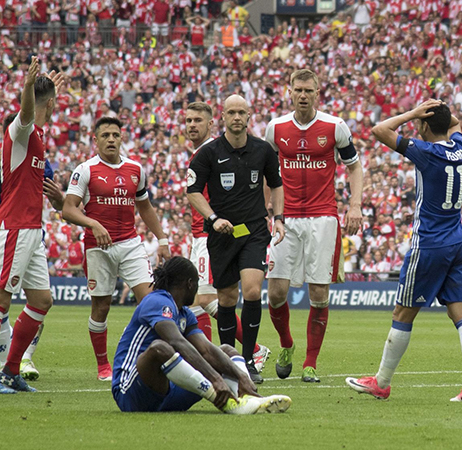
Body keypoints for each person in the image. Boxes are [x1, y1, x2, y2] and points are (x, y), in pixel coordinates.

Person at [346, 100, 462, 402]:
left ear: (423, 125)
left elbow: (380, 130)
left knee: (402, 313)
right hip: (457, 241)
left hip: (429, 244)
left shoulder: (427, 153)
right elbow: (455, 124)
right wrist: (438, 112)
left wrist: (413, 113)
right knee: (461, 313)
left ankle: (381, 382)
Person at [264, 69, 363, 383]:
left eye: (309, 90)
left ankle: (310, 363)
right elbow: (267, 172)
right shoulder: (275, 128)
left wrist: (356, 205)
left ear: (318, 92)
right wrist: (266, 209)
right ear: (289, 91)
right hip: (286, 218)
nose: (303, 95)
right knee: (276, 293)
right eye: (298, 89)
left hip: (323, 217)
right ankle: (286, 344)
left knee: (319, 294)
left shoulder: (335, 127)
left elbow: (355, 166)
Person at [0, 56, 64, 393]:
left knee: (41, 300)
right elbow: (27, 113)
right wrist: (29, 86)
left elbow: (38, 112)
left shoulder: (38, 133)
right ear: (50, 105)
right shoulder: (20, 129)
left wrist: (49, 91)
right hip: (12, 226)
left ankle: (11, 371)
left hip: (31, 229)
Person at [62, 116, 171, 381]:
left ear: (122, 138)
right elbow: (67, 209)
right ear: (96, 140)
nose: (111, 139)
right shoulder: (86, 170)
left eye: (115, 134)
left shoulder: (136, 169)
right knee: (101, 307)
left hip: (131, 244)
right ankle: (103, 366)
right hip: (98, 248)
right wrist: (93, 224)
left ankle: (149, 358)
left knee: (151, 301)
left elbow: (144, 207)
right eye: (105, 135)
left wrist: (163, 239)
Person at [112, 256, 291, 414]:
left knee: (226, 351)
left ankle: (247, 397)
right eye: (197, 284)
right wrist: (215, 379)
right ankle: (223, 400)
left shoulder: (185, 313)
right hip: (131, 392)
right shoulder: (157, 300)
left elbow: (206, 350)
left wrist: (241, 375)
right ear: (190, 283)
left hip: (168, 391)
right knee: (160, 348)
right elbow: (176, 341)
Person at [187, 94, 284, 384]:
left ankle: (250, 362)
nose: (237, 117)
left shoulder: (263, 150)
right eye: (232, 112)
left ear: (249, 115)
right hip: (222, 234)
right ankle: (230, 361)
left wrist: (278, 218)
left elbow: (276, 185)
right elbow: (193, 192)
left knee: (252, 291)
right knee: (227, 298)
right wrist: (213, 218)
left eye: (242, 112)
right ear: (224, 117)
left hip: (254, 231)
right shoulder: (208, 153)